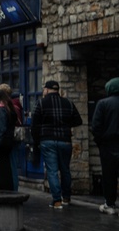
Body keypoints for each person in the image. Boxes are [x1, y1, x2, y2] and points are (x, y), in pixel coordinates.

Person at [31, 79, 83, 209]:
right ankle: (66, 197)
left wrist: (36, 140)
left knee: (52, 171)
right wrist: (66, 125)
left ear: (47, 90)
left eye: (44, 89)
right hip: (65, 141)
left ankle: (56, 200)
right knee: (65, 170)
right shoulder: (69, 103)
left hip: (47, 141)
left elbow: (34, 125)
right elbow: (78, 120)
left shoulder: (41, 103)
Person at [91, 77, 119, 215]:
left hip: (108, 145)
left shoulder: (103, 104)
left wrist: (100, 142)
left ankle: (110, 204)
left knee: (109, 175)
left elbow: (96, 127)